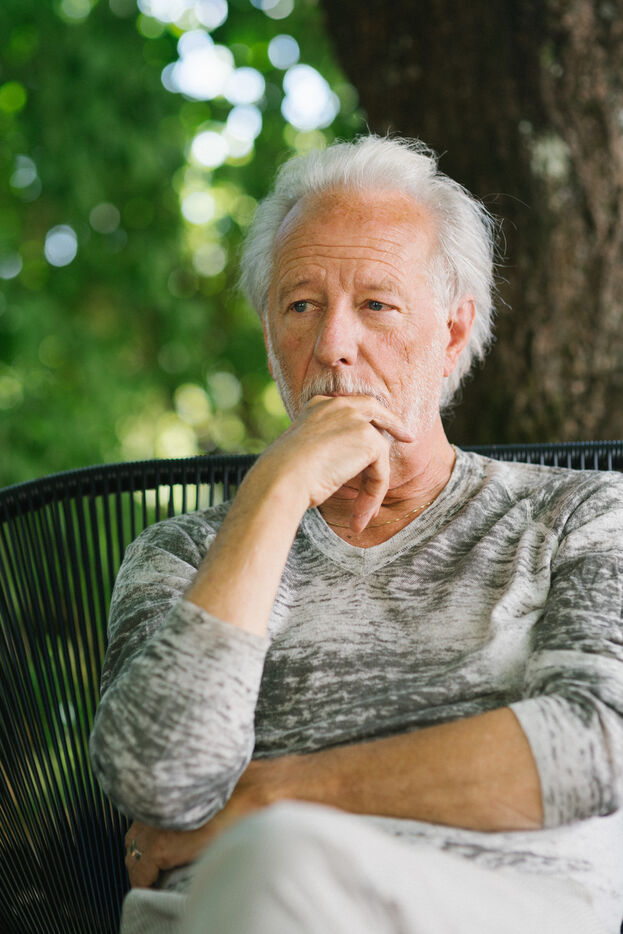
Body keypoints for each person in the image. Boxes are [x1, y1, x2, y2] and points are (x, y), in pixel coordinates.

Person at [89, 136, 623, 934]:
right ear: (269, 335)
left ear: (451, 333)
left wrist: (270, 796)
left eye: (376, 305)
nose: (332, 344)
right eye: (301, 306)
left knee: (277, 856)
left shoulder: (584, 514)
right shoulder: (184, 553)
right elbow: (156, 783)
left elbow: (596, 745)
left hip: (494, 908)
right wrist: (274, 492)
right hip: (235, 913)